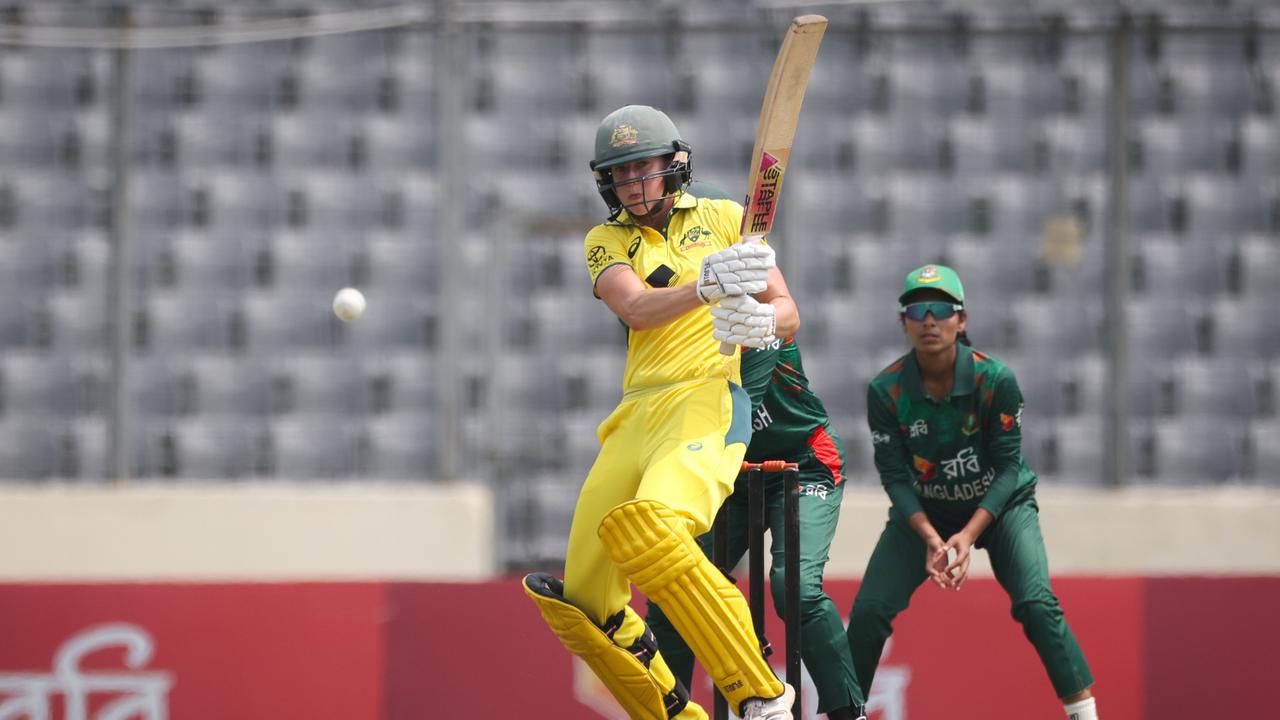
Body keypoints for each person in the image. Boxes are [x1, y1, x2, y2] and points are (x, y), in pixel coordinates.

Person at [522, 105, 800, 720]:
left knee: (653, 527)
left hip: (704, 399)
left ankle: (762, 692)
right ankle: (672, 715)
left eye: (643, 168)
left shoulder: (726, 218)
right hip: (637, 412)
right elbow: (636, 308)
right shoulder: (607, 240)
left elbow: (787, 311)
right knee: (582, 600)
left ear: (674, 165)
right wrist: (705, 284)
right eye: (620, 175)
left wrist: (759, 322)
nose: (633, 185)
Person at [644, 180, 867, 720]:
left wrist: (763, 321)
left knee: (793, 588)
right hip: (732, 476)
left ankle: (847, 712)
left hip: (804, 461)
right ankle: (667, 712)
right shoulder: (680, 330)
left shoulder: (757, 321)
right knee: (674, 588)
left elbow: (736, 409)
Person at [846, 264, 1100, 720]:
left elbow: (1007, 470)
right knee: (867, 613)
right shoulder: (886, 391)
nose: (929, 320)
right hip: (926, 513)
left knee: (1036, 603)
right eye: (917, 309)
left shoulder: (996, 381)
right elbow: (895, 478)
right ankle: (847, 715)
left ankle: (1084, 714)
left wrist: (967, 535)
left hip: (1002, 508)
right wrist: (929, 536)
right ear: (902, 321)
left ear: (961, 321)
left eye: (942, 309)